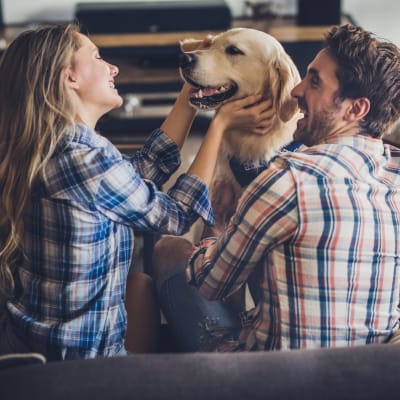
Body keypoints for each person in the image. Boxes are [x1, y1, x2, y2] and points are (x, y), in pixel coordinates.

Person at [0, 24, 274, 360]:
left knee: (141, 286)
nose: (112, 67)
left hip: (32, 339)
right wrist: (218, 126)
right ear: (70, 77)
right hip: (73, 363)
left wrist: (193, 92)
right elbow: (175, 216)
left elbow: (144, 169)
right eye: (97, 57)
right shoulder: (82, 160)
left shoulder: (65, 147)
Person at [153, 23, 400, 352]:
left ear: (356, 109)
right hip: (370, 372)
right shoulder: (393, 174)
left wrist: (217, 228)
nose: (296, 91)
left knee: (167, 249)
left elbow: (212, 283)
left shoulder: (287, 180)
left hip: (277, 376)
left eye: (314, 82)